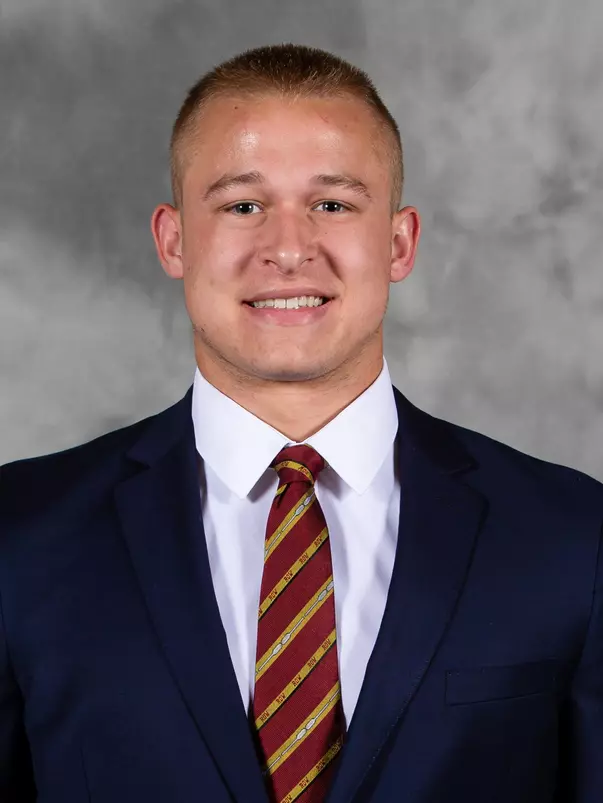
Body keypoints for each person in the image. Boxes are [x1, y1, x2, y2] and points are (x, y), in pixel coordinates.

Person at [0, 41, 601, 803]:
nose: (287, 248)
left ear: (398, 241)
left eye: (333, 204)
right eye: (242, 205)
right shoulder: (20, 536)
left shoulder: (573, 540)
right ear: (173, 239)